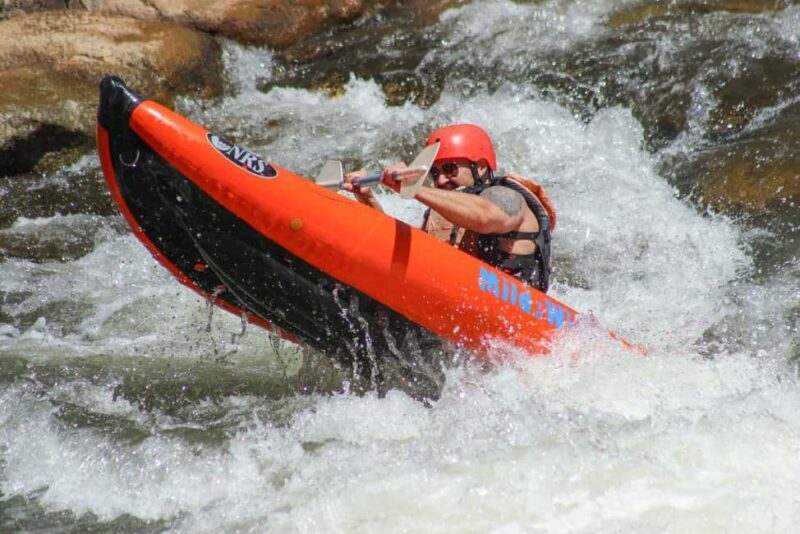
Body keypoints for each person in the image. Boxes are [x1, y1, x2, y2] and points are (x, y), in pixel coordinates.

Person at [342, 124, 557, 293]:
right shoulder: (444, 212)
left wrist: (415, 189)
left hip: (515, 309)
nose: (441, 180)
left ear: (481, 166)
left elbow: (485, 216)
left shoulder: (507, 195)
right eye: (434, 173)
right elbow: (412, 258)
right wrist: (366, 198)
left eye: (449, 168)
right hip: (463, 301)